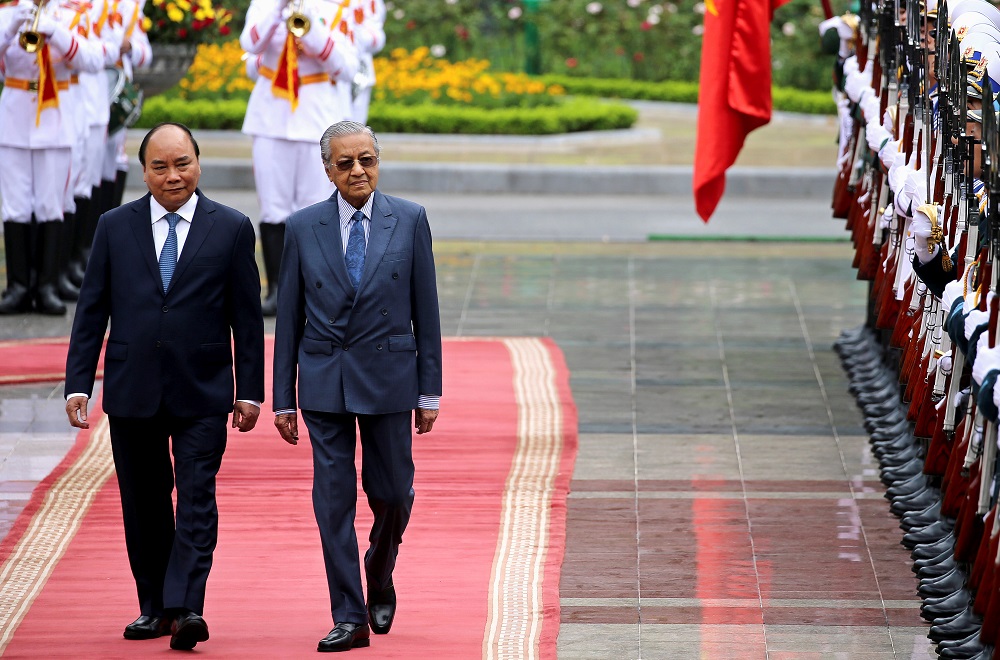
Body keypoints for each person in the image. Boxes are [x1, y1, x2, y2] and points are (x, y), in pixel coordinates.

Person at [63, 122, 265, 651]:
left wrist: (250, 391)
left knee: (197, 497)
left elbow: (247, 319)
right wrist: (78, 383)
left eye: (182, 164)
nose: (173, 176)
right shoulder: (114, 226)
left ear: (198, 162)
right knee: (144, 502)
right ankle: (153, 606)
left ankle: (186, 606)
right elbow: (91, 311)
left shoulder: (232, 227)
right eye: (160, 167)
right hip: (133, 388)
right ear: (143, 170)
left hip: (203, 389)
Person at [271, 120, 442, 653]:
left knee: (392, 493)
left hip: (390, 377)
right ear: (328, 170)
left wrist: (430, 391)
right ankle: (348, 615)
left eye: (366, 159)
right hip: (324, 379)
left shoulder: (409, 219)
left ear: (377, 161)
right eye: (344, 163)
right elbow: (288, 318)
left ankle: (380, 567)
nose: (358, 171)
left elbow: (427, 310)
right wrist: (283, 399)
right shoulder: (302, 227)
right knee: (332, 501)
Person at [240, 0, 359, 316]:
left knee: (316, 208)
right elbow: (249, 43)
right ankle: (278, 291)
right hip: (270, 117)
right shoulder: (265, 5)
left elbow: (346, 68)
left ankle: (315, 290)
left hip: (316, 119)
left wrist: (311, 30)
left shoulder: (335, 8)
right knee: (273, 208)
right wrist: (278, 10)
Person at [0, 0, 104, 315]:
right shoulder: (7, 14)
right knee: (15, 205)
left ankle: (47, 286)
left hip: (56, 118)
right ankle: (18, 287)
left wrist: (56, 32)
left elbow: (93, 60)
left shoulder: (72, 15)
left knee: (50, 204)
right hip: (15, 115)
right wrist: (10, 29)